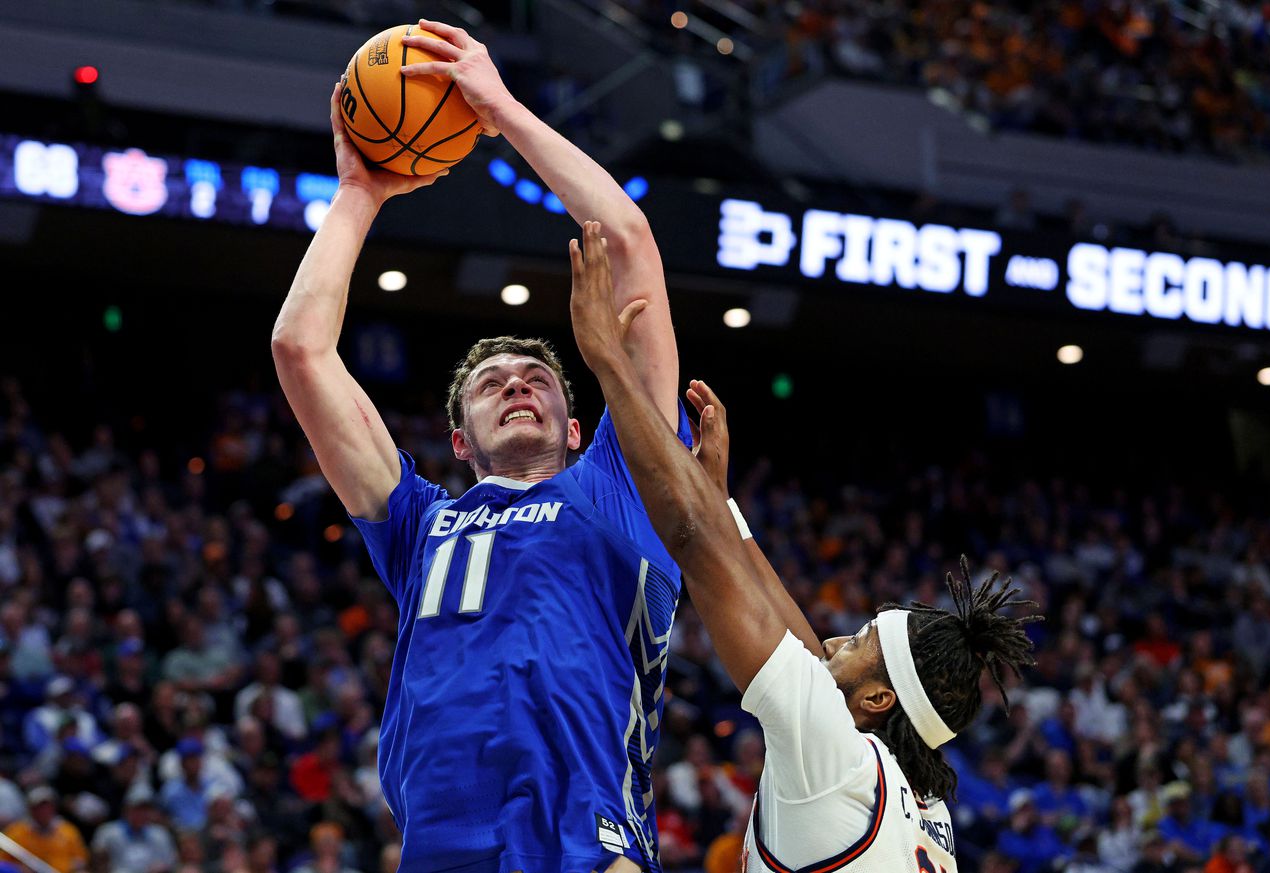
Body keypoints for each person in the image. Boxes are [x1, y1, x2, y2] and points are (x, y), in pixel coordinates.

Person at [271, 22, 685, 873]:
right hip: (442, 841)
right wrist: (359, 193)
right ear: (459, 438)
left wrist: (501, 111)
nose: (517, 384)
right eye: (491, 383)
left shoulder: (620, 480)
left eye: (537, 377)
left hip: (586, 834)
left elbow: (631, 244)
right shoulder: (419, 522)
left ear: (578, 430)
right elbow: (300, 351)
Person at [568, 221, 1040, 872]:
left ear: (878, 700)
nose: (837, 639)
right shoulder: (918, 795)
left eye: (860, 639)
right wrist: (724, 500)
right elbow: (804, 647)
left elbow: (687, 532)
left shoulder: (837, 757)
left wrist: (606, 359)